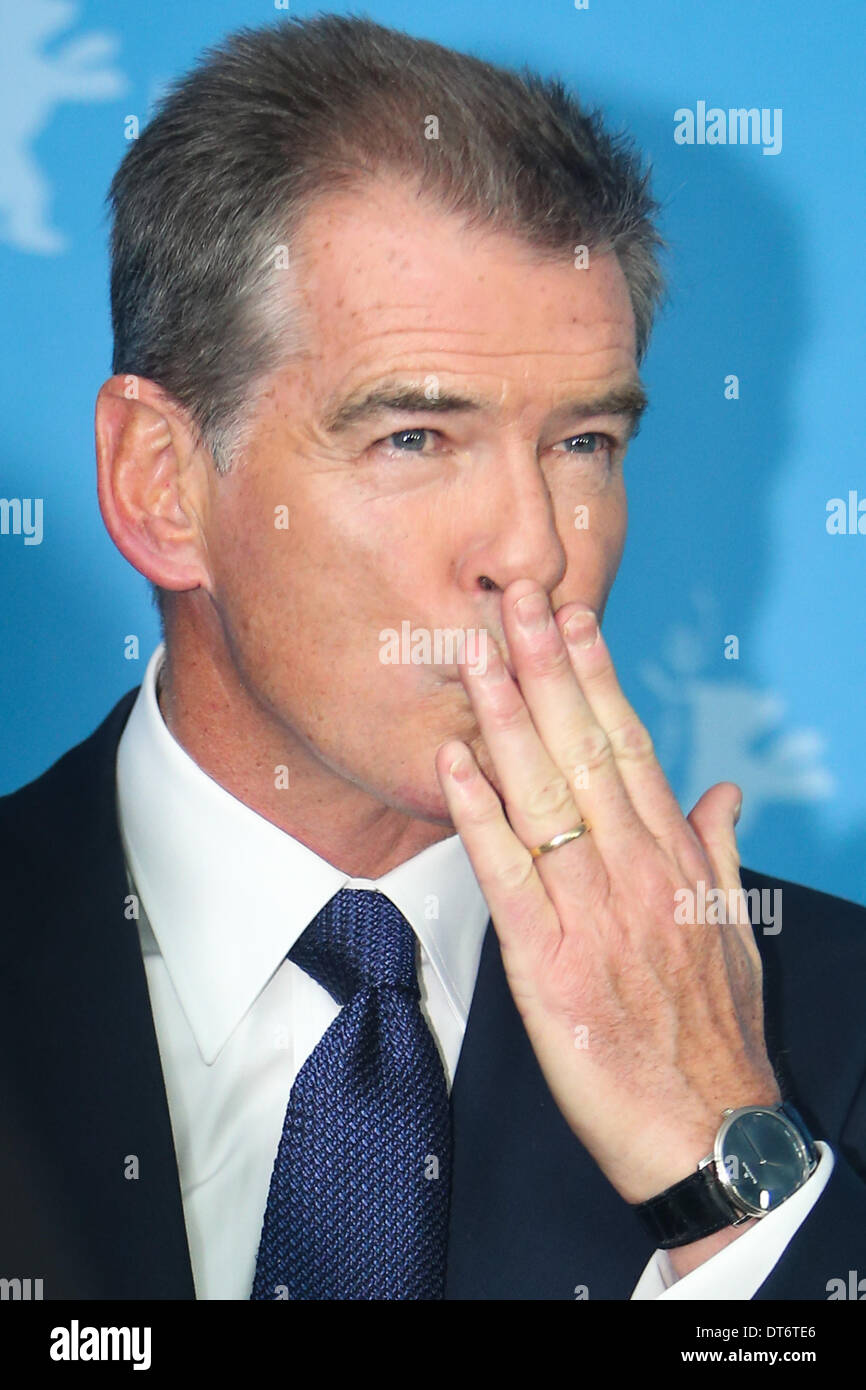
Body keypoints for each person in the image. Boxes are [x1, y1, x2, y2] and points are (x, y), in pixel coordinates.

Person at [2, 13, 865, 1302]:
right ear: (161, 485)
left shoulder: (823, 1035)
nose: (534, 550)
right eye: (416, 437)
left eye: (583, 443)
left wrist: (723, 1171)